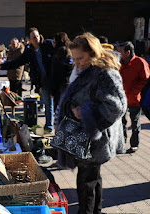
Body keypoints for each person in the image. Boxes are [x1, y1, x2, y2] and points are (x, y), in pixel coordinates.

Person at [56, 32, 127, 214]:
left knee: (86, 181)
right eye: (74, 59)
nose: (77, 63)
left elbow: (117, 106)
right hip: (87, 137)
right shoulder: (89, 70)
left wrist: (86, 113)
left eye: (80, 58)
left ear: (93, 52)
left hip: (94, 139)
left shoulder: (105, 74)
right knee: (92, 178)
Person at [0, 27, 54, 133]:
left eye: (37, 36)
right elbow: (18, 61)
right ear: (30, 40)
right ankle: (49, 126)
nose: (36, 39)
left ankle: (54, 125)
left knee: (56, 103)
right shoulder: (30, 51)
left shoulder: (48, 44)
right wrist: (3, 66)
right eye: (33, 37)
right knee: (47, 103)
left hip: (53, 78)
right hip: (42, 81)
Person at [117, 41, 150, 153]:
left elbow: (145, 80)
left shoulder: (140, 62)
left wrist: (135, 91)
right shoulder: (117, 62)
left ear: (128, 52)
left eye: (120, 52)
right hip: (121, 98)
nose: (118, 54)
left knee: (135, 122)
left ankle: (134, 144)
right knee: (122, 122)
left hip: (135, 98)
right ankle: (121, 143)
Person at [50, 32, 73, 110]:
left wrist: (52, 90)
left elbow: (54, 73)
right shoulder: (70, 52)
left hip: (59, 86)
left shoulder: (57, 54)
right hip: (69, 83)